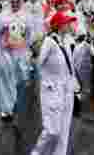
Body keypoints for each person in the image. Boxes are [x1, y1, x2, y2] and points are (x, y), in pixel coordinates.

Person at [29, 11, 80, 155]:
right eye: (67, 22)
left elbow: (70, 66)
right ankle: (37, 152)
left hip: (67, 89)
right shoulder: (49, 42)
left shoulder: (67, 40)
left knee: (64, 130)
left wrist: (75, 86)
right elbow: (38, 63)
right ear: (59, 25)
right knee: (52, 130)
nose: (70, 25)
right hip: (52, 90)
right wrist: (48, 81)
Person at [0, 0, 38, 122]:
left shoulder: (26, 17)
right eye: (13, 2)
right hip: (5, 52)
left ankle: (11, 102)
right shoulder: (2, 17)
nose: (15, 4)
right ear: (10, 3)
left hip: (20, 53)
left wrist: (29, 48)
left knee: (18, 78)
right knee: (6, 78)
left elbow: (30, 34)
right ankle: (6, 110)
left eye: (18, 2)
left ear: (21, 3)